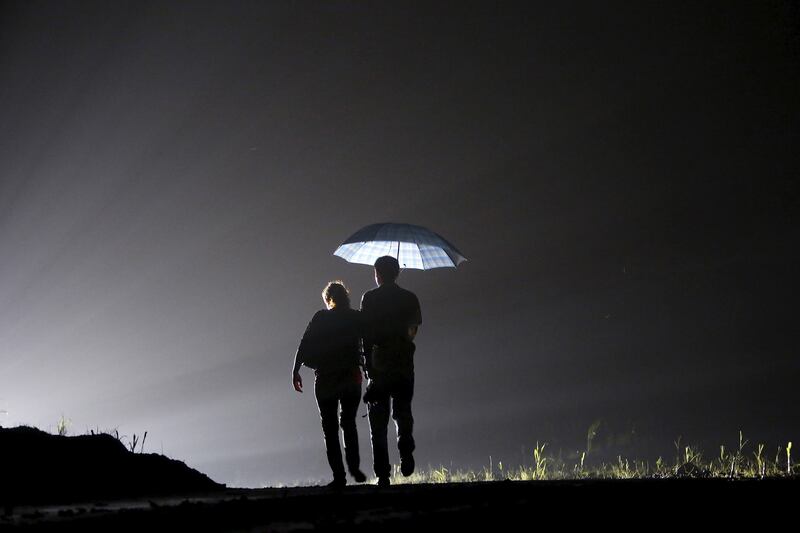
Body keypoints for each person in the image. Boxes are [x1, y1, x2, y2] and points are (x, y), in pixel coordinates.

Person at [292, 280, 367, 487]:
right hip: (351, 377)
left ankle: (339, 476)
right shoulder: (356, 317)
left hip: (325, 378)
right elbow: (368, 343)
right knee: (349, 423)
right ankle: (354, 466)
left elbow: (304, 343)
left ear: (328, 299)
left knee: (330, 428)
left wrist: (295, 370)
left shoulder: (321, 317)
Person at [360, 256, 422, 487]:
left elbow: (364, 333)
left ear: (377, 273)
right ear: (398, 273)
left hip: (378, 364)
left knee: (378, 420)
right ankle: (405, 447)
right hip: (404, 363)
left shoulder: (369, 298)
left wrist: (367, 362)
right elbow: (413, 329)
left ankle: (383, 474)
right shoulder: (409, 298)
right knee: (403, 411)